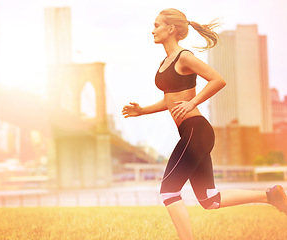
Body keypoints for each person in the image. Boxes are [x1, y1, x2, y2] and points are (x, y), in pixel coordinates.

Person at [122, 8, 287, 240]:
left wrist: (192, 103)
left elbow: (218, 79)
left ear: (171, 29)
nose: (153, 30)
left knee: (169, 191)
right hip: (192, 133)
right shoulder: (166, 61)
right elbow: (170, 100)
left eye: (157, 25)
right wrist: (142, 111)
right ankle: (271, 196)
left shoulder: (184, 57)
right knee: (210, 199)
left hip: (195, 131)